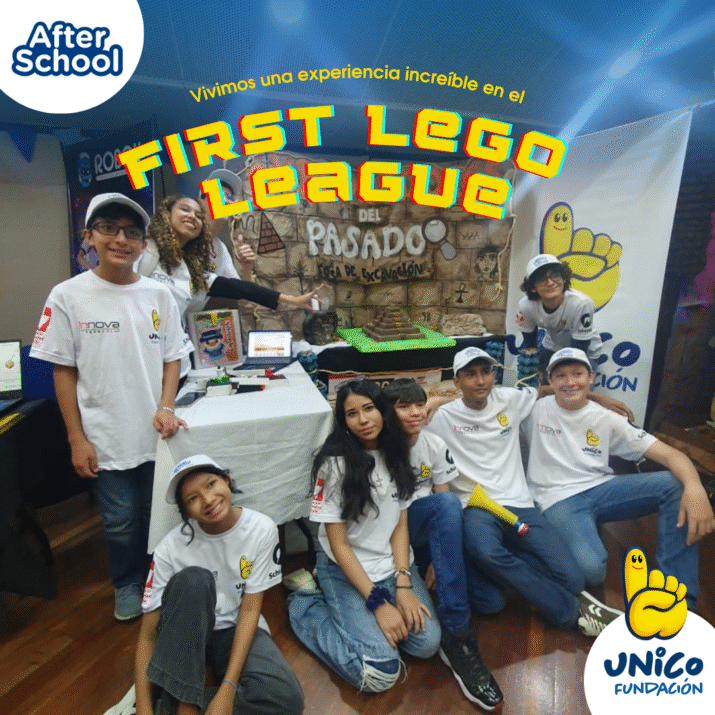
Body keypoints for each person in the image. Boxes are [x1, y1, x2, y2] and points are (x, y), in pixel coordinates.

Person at [30, 192, 191, 621]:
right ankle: (127, 582)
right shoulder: (68, 295)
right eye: (108, 228)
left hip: (156, 434)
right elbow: (63, 370)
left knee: (155, 513)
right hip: (104, 437)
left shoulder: (159, 295)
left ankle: (158, 576)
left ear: (143, 243)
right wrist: (76, 438)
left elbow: (173, 357)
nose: (121, 239)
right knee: (120, 520)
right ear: (89, 236)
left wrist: (167, 406)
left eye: (132, 232)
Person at [426, 347, 620, 636]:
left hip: (519, 502)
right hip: (476, 506)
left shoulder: (510, 399)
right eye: (470, 375)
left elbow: (547, 390)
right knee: (487, 551)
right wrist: (437, 400)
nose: (480, 380)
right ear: (456, 381)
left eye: (486, 372)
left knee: (574, 579)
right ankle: (572, 614)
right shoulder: (440, 417)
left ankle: (512, 560)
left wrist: (597, 397)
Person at [524, 347, 715, 613]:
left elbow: (671, 455)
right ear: (549, 380)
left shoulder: (607, 418)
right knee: (591, 571)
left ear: (591, 377)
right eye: (561, 376)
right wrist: (594, 395)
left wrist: (696, 488)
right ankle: (557, 537)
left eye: (578, 374)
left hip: (600, 488)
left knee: (675, 484)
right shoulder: (532, 409)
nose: (570, 382)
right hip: (557, 497)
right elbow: (494, 394)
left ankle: (679, 597)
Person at [287, 379, 441, 692]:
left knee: (426, 644)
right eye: (352, 414)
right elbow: (339, 545)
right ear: (343, 422)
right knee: (380, 674)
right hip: (345, 567)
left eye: (369, 408)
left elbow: (400, 525)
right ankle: (305, 603)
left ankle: (360, 621)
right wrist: (378, 604)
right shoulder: (334, 465)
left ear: (383, 410)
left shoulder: (398, 453)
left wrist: (403, 584)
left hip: (392, 565)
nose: (363, 420)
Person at [135, 454, 303, 715]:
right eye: (192, 498)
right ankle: (183, 706)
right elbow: (148, 634)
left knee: (286, 700)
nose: (207, 499)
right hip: (185, 632)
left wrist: (228, 688)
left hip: (234, 628)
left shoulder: (261, 529)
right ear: (185, 512)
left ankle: (170, 704)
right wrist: (142, 710)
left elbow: (250, 610)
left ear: (228, 480)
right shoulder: (169, 548)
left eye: (211, 484)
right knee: (195, 580)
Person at [382, 378, 503, 711]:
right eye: (404, 406)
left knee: (492, 601)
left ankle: (445, 598)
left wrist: (439, 558)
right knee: (446, 506)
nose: (415, 412)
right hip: (394, 532)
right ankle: (458, 634)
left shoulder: (433, 444)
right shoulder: (380, 449)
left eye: (419, 405)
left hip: (428, 532)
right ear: (388, 413)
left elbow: (443, 496)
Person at [137, 194, 321, 375]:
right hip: (139, 354)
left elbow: (239, 288)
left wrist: (294, 300)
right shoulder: (143, 251)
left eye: (198, 216)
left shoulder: (190, 267)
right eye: (184, 210)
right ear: (166, 214)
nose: (192, 216)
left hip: (174, 360)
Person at [516, 253, 602, 374]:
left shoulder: (581, 303)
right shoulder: (526, 306)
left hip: (585, 350)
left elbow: (580, 347)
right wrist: (536, 370)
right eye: (541, 279)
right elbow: (530, 343)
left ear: (564, 278)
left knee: (573, 382)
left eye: (555, 275)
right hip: (553, 344)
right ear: (533, 287)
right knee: (543, 380)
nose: (550, 283)